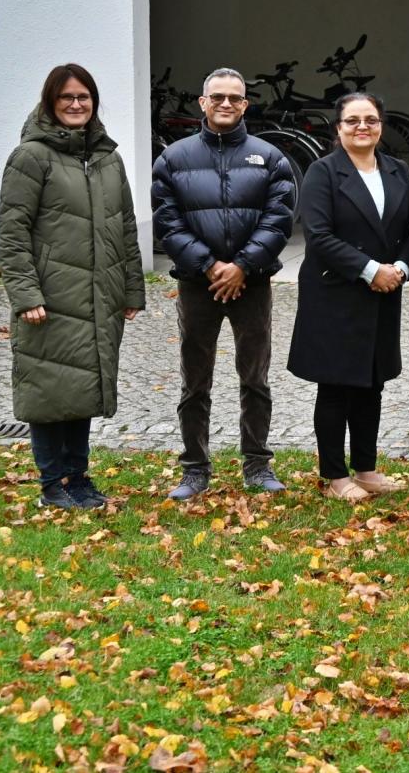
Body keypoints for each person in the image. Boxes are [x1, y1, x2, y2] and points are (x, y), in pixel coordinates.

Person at [0, 63, 145, 509]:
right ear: (50, 103)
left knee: (82, 390)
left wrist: (132, 290)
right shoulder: (30, 157)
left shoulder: (107, 159)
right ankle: (51, 484)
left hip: (99, 296)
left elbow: (127, 228)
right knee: (47, 392)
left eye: (84, 97)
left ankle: (78, 478)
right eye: (67, 98)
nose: (77, 105)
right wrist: (26, 295)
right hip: (50, 298)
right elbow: (13, 233)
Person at [151, 67, 296, 500]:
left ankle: (257, 464)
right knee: (195, 380)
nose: (227, 104)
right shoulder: (173, 158)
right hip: (198, 284)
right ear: (203, 103)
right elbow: (167, 221)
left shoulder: (270, 158)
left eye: (235, 98)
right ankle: (194, 468)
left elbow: (280, 219)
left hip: (252, 284)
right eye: (218, 97)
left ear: (246, 104)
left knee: (255, 377)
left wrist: (242, 267)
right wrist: (211, 265)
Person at [286, 92, 409, 501]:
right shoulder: (323, 173)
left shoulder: (397, 171)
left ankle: (367, 468)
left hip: (384, 291)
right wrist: (370, 270)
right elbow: (319, 236)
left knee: (371, 383)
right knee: (336, 385)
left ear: (381, 125)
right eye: (353, 121)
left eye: (371, 120)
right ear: (338, 128)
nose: (363, 127)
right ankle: (335, 476)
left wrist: (401, 268)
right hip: (335, 292)